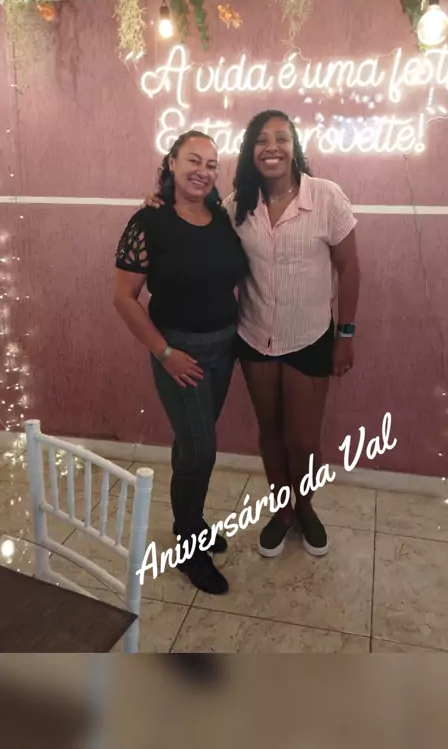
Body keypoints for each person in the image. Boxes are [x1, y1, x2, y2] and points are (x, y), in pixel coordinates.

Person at [145, 109, 360, 561]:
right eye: (262, 139)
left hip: (310, 337)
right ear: (251, 151)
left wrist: (346, 333)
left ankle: (306, 507)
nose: (272, 147)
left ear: (294, 146)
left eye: (281, 137)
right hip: (255, 337)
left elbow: (350, 268)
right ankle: (282, 511)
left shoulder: (327, 197)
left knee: (304, 440)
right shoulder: (236, 206)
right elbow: (192, 216)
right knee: (271, 431)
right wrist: (160, 201)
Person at [113, 130, 249, 595]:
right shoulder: (148, 221)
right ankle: (190, 545)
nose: (203, 172)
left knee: (193, 445)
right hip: (179, 353)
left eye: (211, 164)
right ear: (171, 162)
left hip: (224, 348)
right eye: (193, 160)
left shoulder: (223, 217)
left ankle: (188, 520)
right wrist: (165, 353)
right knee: (201, 449)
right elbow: (124, 297)